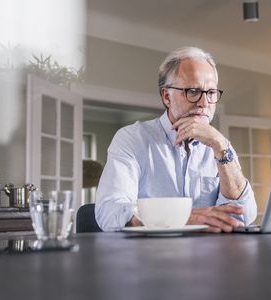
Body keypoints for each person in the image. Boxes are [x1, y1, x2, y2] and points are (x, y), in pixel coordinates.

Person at [95, 46, 257, 232]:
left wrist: (221, 147)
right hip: (150, 256)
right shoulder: (132, 138)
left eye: (211, 92)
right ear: (167, 96)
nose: (204, 103)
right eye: (193, 91)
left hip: (211, 256)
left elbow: (243, 215)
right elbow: (109, 211)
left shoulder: (220, 146)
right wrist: (183, 219)